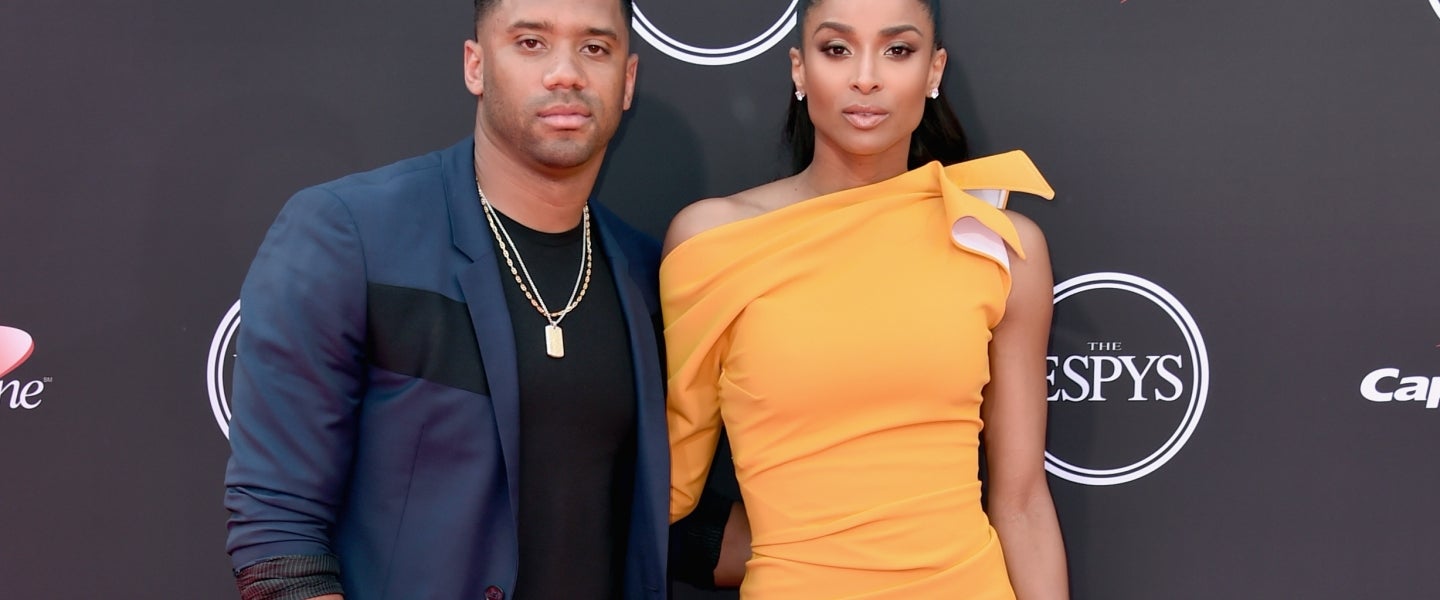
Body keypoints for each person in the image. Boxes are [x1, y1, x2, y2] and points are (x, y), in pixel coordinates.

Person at [224, 0, 735, 598]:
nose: (565, 72)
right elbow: (279, 532)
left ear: (627, 81)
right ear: (475, 65)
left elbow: (650, 513)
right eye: (530, 43)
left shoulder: (649, 275)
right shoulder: (351, 234)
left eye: (594, 48)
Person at [662, 0, 1070, 597]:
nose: (866, 76)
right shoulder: (712, 242)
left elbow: (1023, 500)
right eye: (837, 49)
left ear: (934, 72)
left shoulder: (1000, 245)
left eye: (898, 50)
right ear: (800, 71)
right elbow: (669, 485)